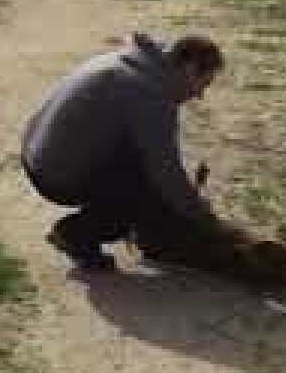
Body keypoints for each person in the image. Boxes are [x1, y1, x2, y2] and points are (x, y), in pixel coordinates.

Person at [22, 32, 223, 270]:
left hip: (37, 152)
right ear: (189, 69)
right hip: (55, 174)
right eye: (204, 84)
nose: (199, 96)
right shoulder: (148, 93)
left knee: (146, 173)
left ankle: (152, 235)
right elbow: (165, 171)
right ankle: (75, 234)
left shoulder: (139, 62)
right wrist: (204, 217)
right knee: (140, 195)